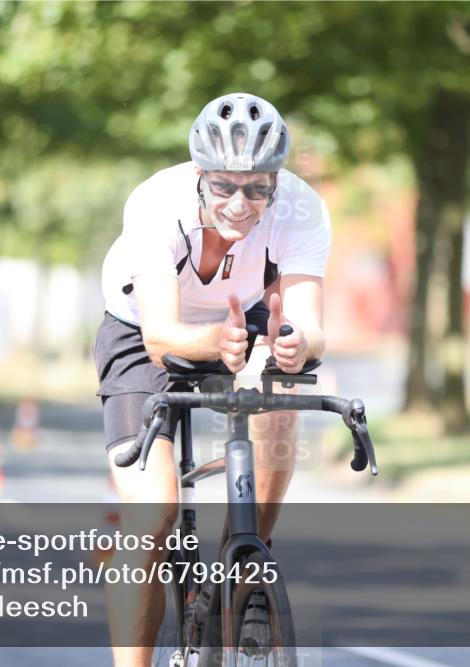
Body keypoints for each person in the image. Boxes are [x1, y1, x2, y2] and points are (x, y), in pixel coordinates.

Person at [94, 92, 332, 666]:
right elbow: (161, 335)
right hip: (143, 330)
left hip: (243, 312)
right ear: (199, 175)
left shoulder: (302, 208)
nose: (240, 203)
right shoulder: (156, 202)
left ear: (276, 182)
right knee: (152, 519)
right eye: (224, 186)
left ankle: (245, 562)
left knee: (283, 390)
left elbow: (312, 326)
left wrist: (296, 345)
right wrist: (217, 344)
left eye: (257, 188)